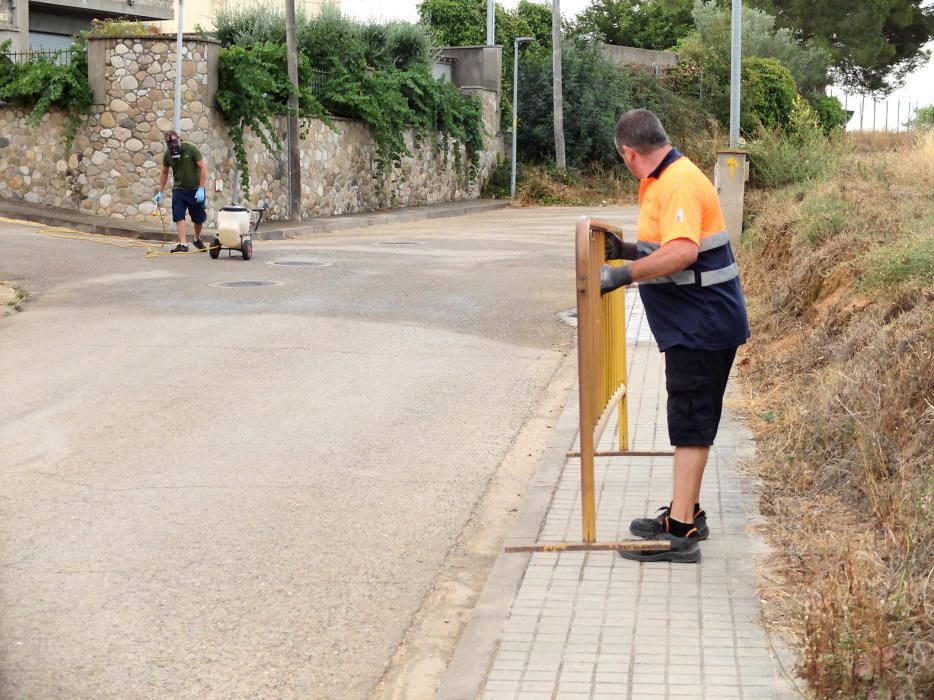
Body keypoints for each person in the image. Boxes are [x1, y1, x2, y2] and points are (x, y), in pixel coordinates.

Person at [600, 109, 750, 564]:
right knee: (692, 418)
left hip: (701, 326)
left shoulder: (678, 181)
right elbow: (670, 244)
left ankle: (680, 531)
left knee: (689, 422)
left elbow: (683, 253)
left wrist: (624, 273)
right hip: (698, 324)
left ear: (629, 152)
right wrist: (627, 250)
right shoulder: (666, 180)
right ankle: (689, 512)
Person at [153, 130, 208, 253]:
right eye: (169, 143)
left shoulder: (191, 149)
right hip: (179, 189)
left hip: (195, 189)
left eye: (173, 141)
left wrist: (201, 188)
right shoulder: (168, 155)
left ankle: (196, 238)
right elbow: (164, 173)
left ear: (179, 138)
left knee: (198, 218)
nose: (172, 145)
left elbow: (203, 168)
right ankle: (183, 244)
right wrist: (160, 192)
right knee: (178, 215)